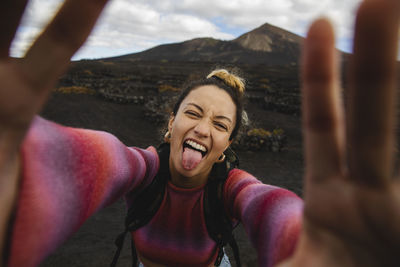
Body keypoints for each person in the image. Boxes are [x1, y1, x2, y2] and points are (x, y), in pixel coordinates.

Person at [0, 0, 399, 266]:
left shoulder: (233, 188)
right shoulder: (145, 167)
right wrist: (29, 172)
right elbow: (107, 159)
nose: (203, 129)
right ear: (171, 122)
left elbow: (269, 205)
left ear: (227, 145)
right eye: (193, 113)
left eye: (221, 125)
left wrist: (304, 239)